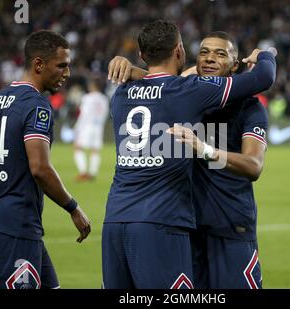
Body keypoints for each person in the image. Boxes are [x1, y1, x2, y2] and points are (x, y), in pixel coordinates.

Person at [102, 20, 275, 289]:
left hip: (229, 229)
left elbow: (253, 166)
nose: (209, 58)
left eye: (220, 54)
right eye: (204, 52)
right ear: (185, 55)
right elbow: (161, 81)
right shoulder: (189, 94)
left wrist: (205, 150)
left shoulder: (249, 109)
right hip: (185, 229)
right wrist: (131, 68)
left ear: (236, 65)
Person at [0, 30, 91, 289]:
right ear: (38, 64)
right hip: (16, 226)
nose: (67, 73)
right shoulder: (37, 105)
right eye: (62, 65)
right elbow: (40, 168)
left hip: (2, 222)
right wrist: (73, 208)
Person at [73, 79, 109, 181]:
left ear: (93, 86)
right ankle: (92, 174)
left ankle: (83, 172)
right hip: (98, 126)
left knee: (78, 148)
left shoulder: (87, 98)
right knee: (95, 150)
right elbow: (105, 114)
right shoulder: (104, 99)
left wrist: (77, 127)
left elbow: (84, 114)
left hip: (87, 126)